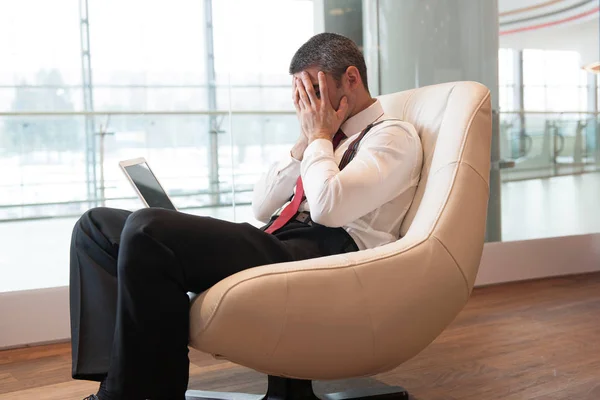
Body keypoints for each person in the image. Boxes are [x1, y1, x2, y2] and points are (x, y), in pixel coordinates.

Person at [72, 32, 422, 400]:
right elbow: (261, 205)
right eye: (300, 98)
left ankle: (132, 396)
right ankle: (114, 382)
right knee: (95, 227)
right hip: (278, 240)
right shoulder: (322, 140)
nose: (308, 108)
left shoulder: (391, 136)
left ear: (351, 79)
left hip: (327, 256)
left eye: (314, 93)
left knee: (148, 229)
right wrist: (304, 146)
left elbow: (328, 208)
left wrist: (320, 136)